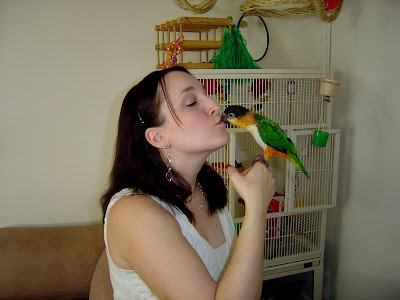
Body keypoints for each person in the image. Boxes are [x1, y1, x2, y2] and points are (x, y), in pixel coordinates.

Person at [101, 66, 276, 299]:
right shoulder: (133, 213)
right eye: (192, 102)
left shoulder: (206, 188)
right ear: (158, 137)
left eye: (206, 94)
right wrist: (256, 208)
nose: (215, 105)